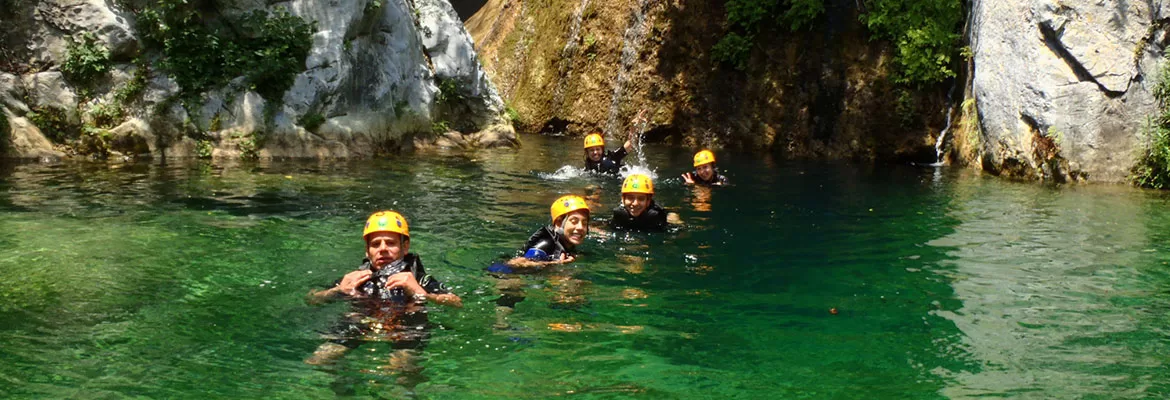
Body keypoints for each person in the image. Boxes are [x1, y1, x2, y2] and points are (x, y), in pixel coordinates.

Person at [305, 211, 462, 368]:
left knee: (403, 367)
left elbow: (456, 302)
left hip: (406, 327)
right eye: (375, 244)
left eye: (390, 243)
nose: (383, 249)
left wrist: (422, 293)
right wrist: (337, 291)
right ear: (367, 250)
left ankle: (407, 389)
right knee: (318, 360)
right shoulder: (355, 279)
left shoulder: (418, 279)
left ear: (405, 246)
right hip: (359, 322)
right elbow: (312, 299)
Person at [487, 195, 591, 328]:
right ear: (559, 223)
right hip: (504, 273)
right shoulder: (545, 244)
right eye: (574, 221)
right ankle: (501, 324)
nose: (580, 227)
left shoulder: (565, 244)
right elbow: (516, 264)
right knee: (513, 291)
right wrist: (555, 265)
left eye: (584, 222)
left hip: (522, 273)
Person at [610, 174, 681, 231]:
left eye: (641, 199)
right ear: (623, 199)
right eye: (630, 198)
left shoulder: (658, 215)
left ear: (648, 201)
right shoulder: (619, 214)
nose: (635, 203)